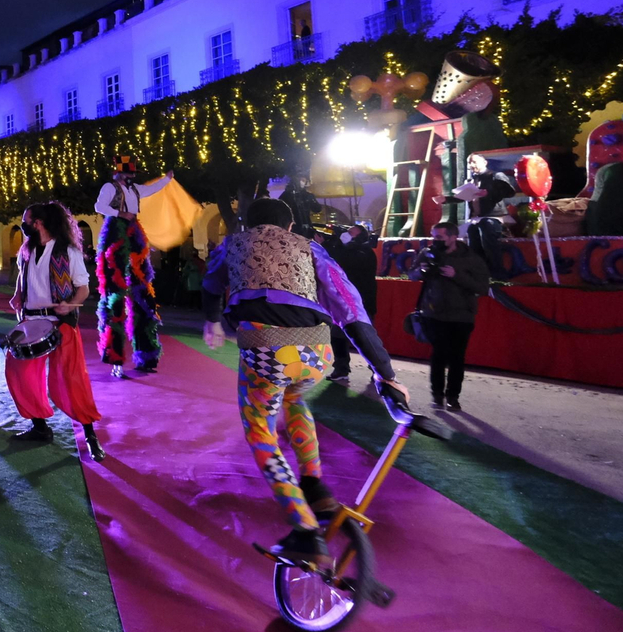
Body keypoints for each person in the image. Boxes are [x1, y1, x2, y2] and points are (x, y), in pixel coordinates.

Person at [202, 198, 409, 565]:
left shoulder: (232, 244)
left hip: (267, 349)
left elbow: (211, 283)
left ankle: (305, 530)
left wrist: (212, 319)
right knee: (296, 399)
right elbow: (349, 306)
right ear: (291, 227)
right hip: (318, 350)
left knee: (261, 431)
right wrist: (385, 373)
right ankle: (315, 486)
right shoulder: (310, 247)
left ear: (246, 224)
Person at [6, 201, 105, 459]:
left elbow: (83, 288)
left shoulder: (68, 252)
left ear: (39, 223)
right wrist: (18, 294)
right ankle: (40, 426)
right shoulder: (26, 251)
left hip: (60, 324)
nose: (24, 224)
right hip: (30, 322)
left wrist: (69, 305)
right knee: (18, 372)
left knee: (73, 380)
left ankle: (90, 434)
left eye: (27, 220)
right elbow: (21, 274)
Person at [94, 154, 173, 377]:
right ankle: (115, 358)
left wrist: (167, 179)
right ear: (118, 172)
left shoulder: (136, 189)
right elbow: (99, 205)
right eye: (127, 173)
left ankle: (146, 355)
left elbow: (151, 189)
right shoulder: (110, 187)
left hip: (133, 231)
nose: (130, 177)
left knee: (142, 289)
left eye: (132, 174)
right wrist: (119, 212)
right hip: (116, 232)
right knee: (115, 292)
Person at [409, 222, 491, 410]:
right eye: (433, 236)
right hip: (433, 314)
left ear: (453, 237)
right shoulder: (427, 253)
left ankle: (453, 396)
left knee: (456, 358)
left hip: (461, 316)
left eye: (439, 237)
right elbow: (411, 274)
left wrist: (456, 275)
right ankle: (437, 395)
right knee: (438, 355)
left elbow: (482, 288)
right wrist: (420, 271)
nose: (435, 241)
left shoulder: (470, 258)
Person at [323, 222, 378, 385]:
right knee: (337, 336)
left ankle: (379, 370)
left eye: (350, 232)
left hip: (362, 302)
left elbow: (347, 261)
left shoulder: (366, 252)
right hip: (340, 300)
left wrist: (339, 244)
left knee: (366, 338)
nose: (346, 234)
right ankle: (341, 368)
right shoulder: (342, 249)